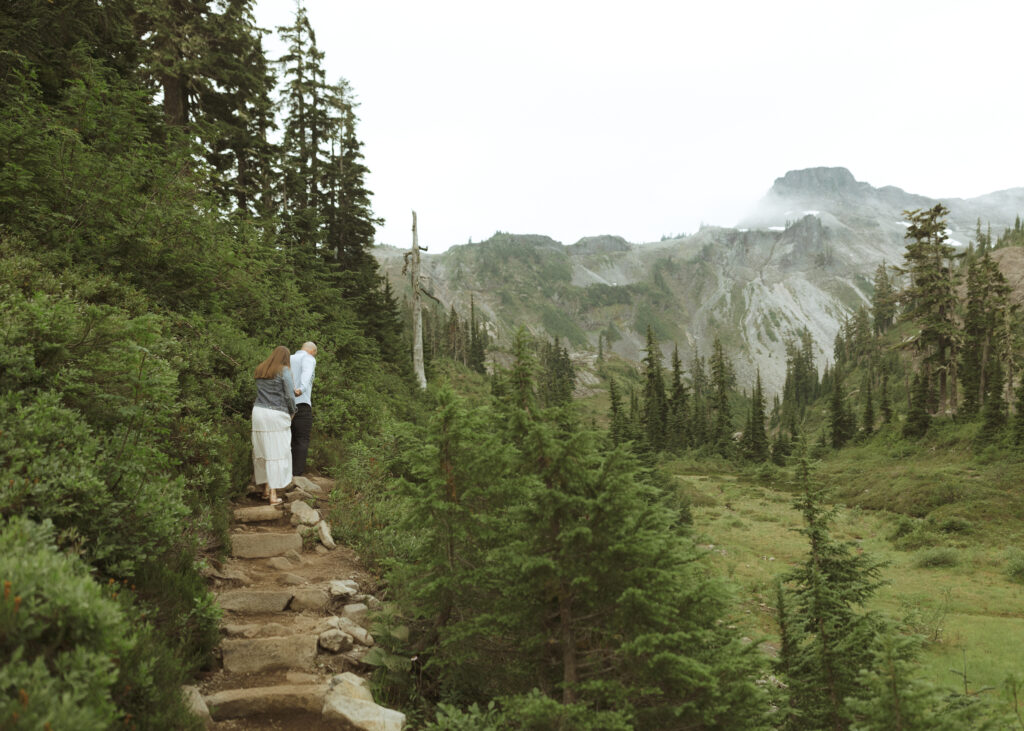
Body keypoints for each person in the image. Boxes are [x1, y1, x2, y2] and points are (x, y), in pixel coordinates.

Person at [252, 345, 297, 505]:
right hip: (276, 414)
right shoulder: (284, 371)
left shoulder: (261, 369)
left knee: (263, 451)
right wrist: (293, 412)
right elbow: (290, 396)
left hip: (258, 412)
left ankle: (265, 490)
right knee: (276, 453)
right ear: (286, 357)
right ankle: (273, 495)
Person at [290, 341, 317, 477]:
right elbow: (306, 374)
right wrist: (301, 389)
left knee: (287, 438)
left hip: (284, 405)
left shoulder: (288, 358)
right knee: (301, 439)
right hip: (301, 404)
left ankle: (284, 473)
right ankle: (296, 474)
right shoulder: (309, 358)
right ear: (313, 351)